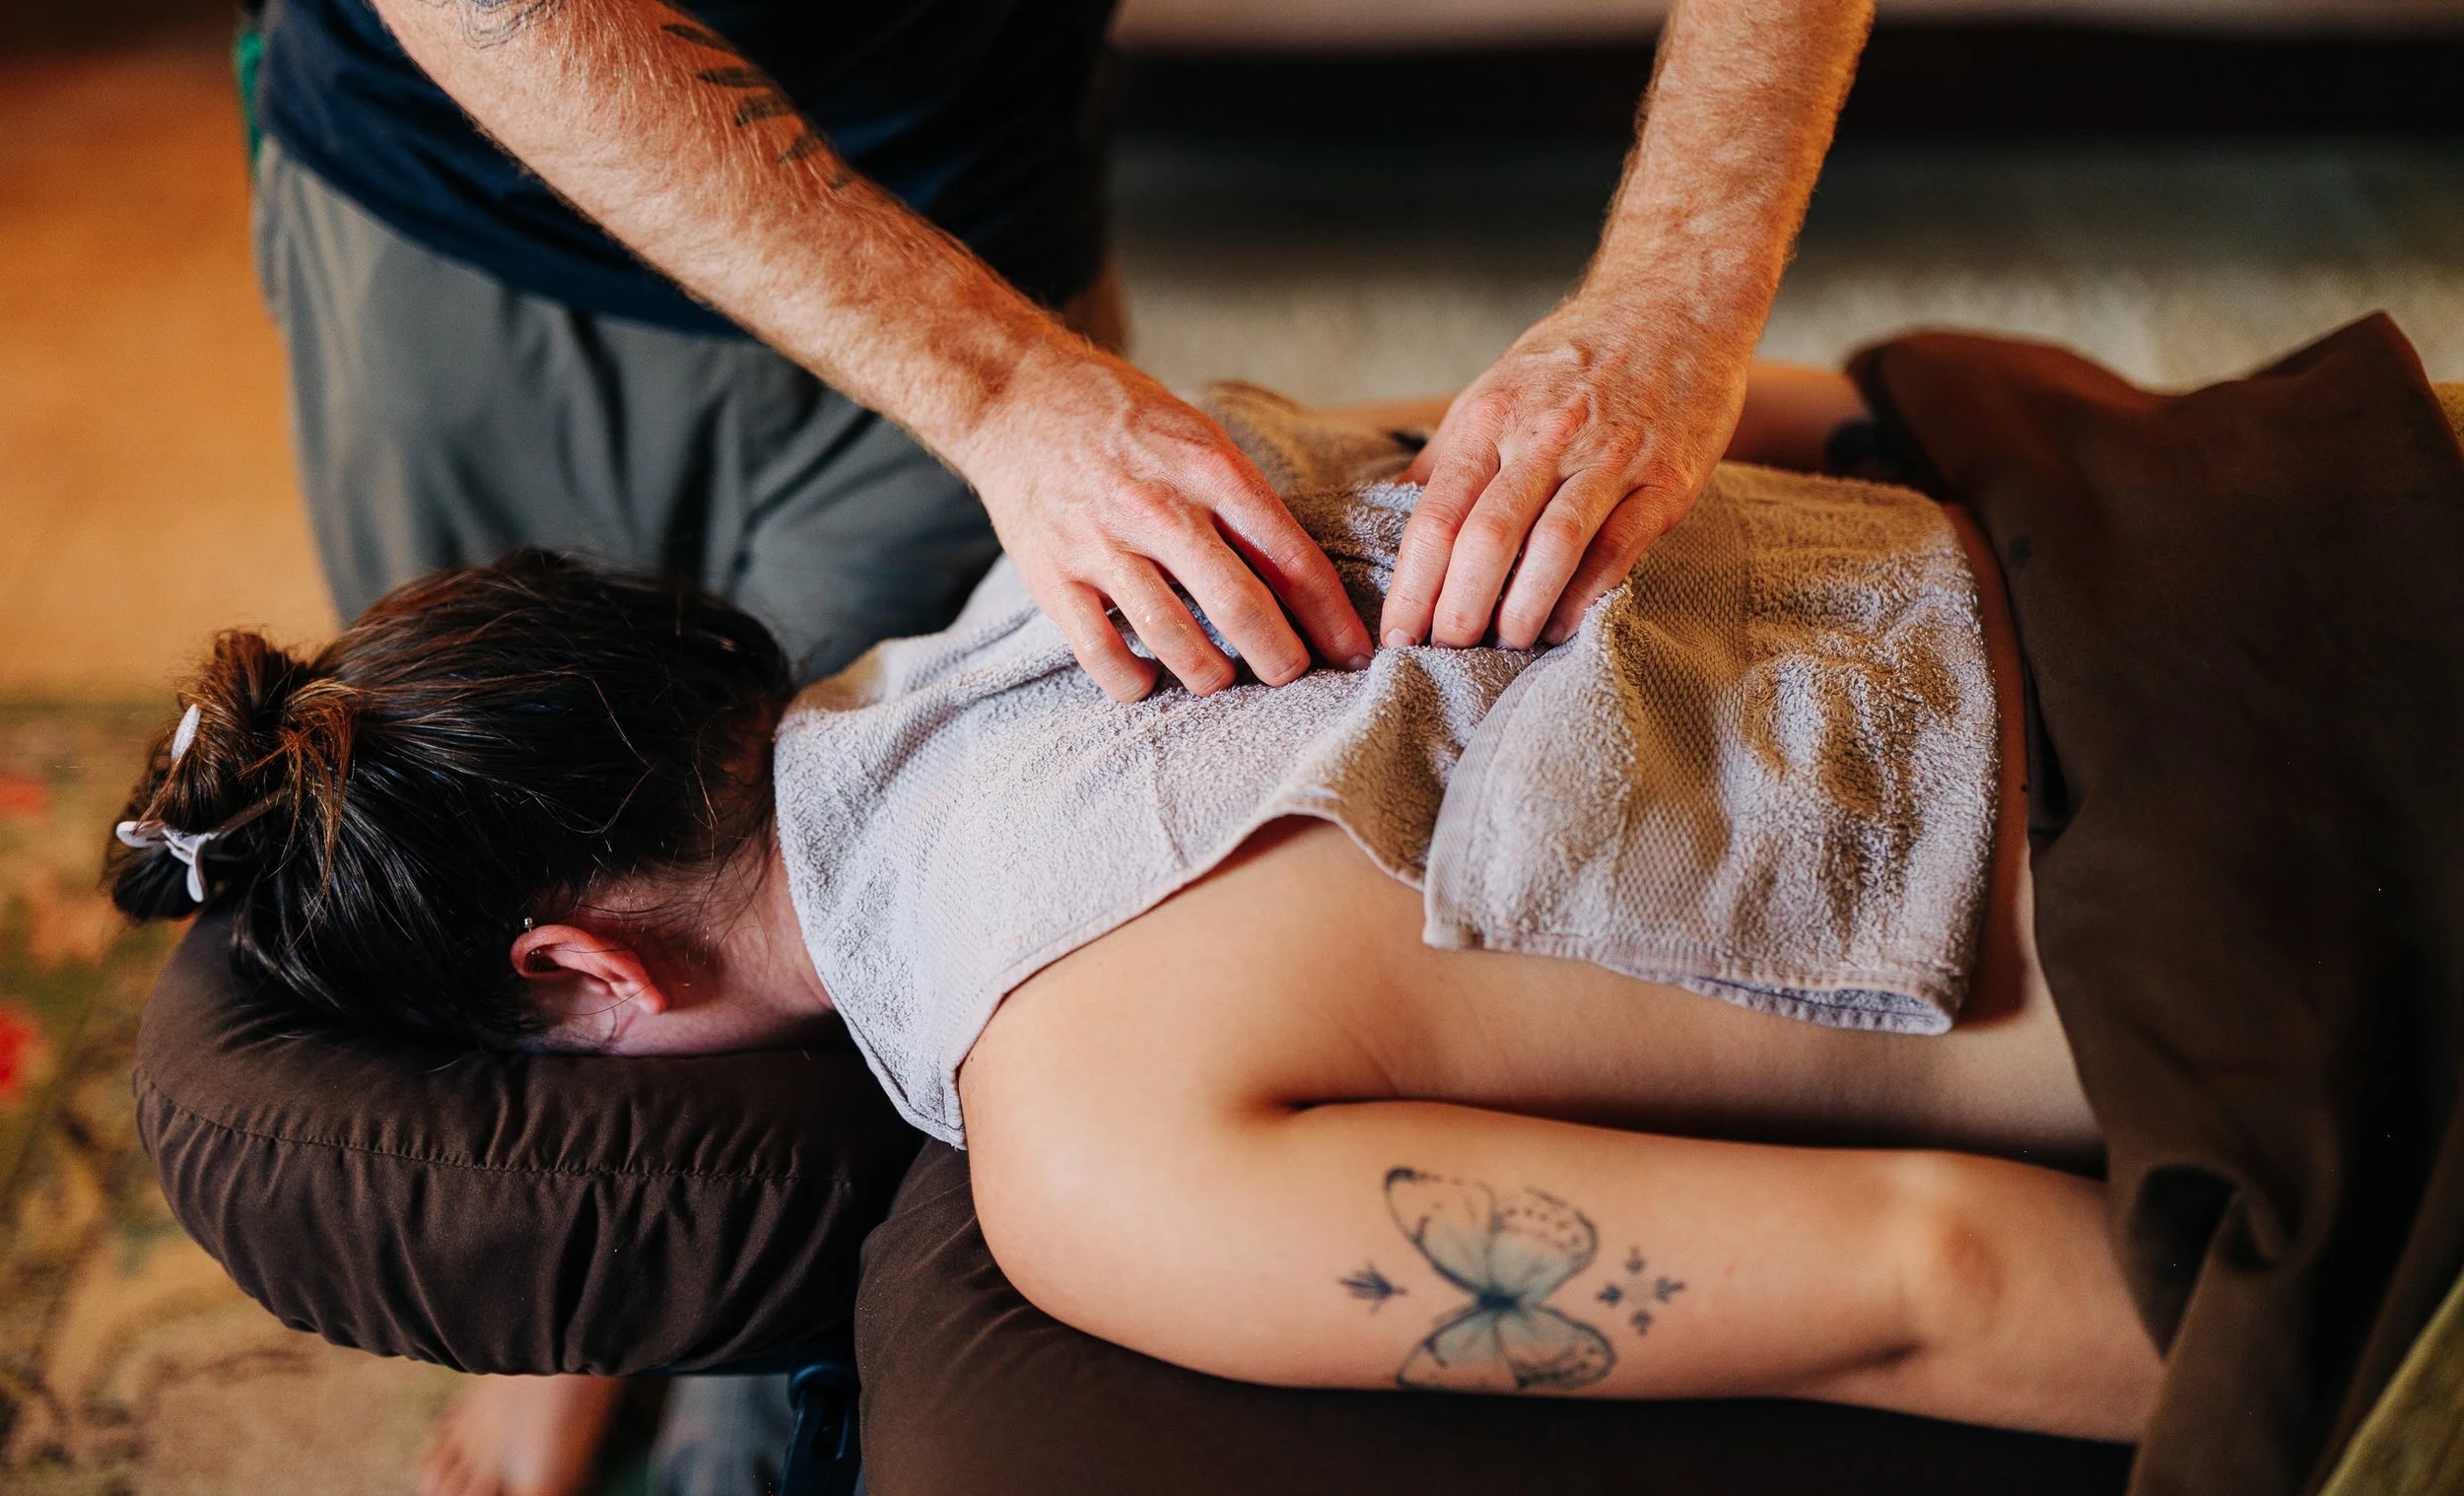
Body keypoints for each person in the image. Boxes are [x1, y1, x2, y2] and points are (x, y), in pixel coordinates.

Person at [108, 367, 2183, 1453]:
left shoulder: (1086, 1145)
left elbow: (1931, 1270)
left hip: (2234, 923)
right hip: (2210, 526)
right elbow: (1770, 406)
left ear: (580, 970)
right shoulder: (1153, 480)